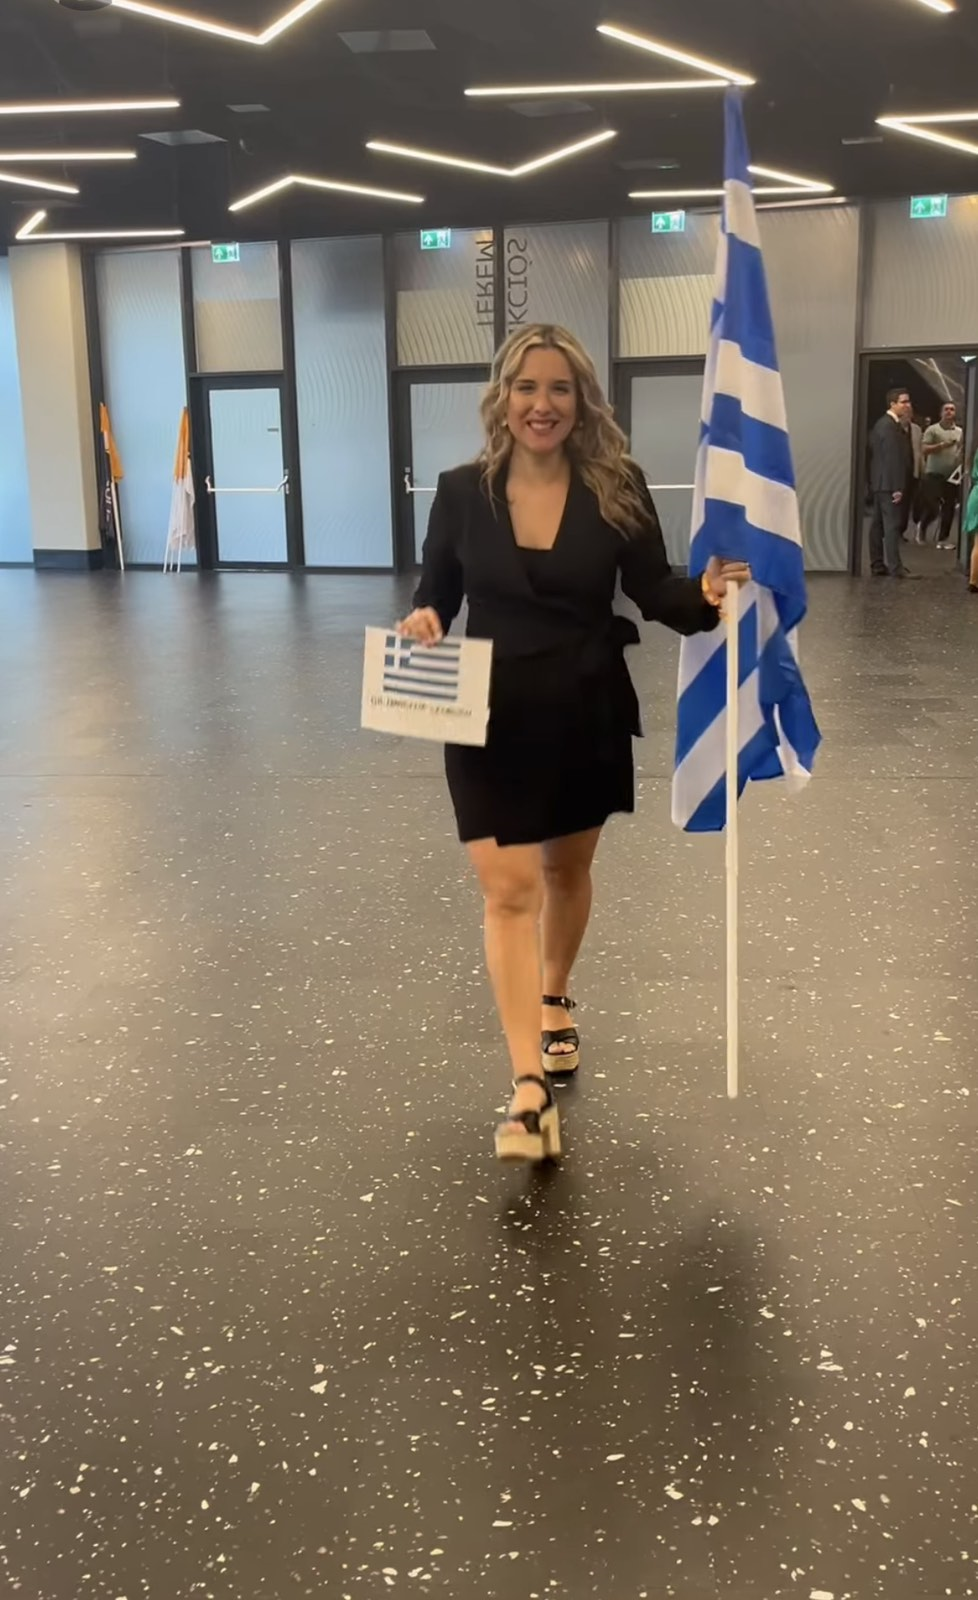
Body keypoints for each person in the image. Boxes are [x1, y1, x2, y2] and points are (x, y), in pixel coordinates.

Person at [397, 324, 749, 1165]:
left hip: (586, 702)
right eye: (526, 387)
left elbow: (653, 586)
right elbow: (435, 591)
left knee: (566, 870)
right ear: (502, 397)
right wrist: (425, 621)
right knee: (510, 887)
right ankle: (527, 1091)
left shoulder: (616, 485)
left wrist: (702, 596)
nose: (541, 404)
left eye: (559, 388)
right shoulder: (459, 491)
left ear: (582, 400)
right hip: (485, 712)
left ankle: (555, 997)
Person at [867, 388, 915, 578]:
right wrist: (897, 487)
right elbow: (891, 458)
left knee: (878, 525)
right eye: (903, 402)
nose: (907, 405)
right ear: (892, 404)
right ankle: (895, 568)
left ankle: (878, 565)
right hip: (888, 484)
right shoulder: (887, 426)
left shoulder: (886, 425)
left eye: (908, 402)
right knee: (891, 526)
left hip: (882, 483)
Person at [918, 401, 963, 550]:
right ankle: (922, 526)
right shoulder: (933, 430)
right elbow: (924, 449)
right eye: (946, 409)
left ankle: (943, 538)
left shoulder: (959, 432)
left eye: (952, 409)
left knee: (949, 507)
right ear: (941, 413)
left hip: (952, 475)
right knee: (933, 506)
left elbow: (961, 449)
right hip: (934, 473)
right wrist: (942, 445)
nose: (949, 412)